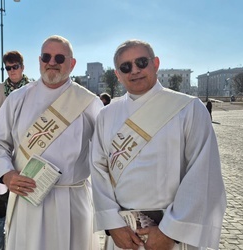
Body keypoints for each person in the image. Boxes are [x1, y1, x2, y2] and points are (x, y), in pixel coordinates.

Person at [90, 39, 226, 250]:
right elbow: (98, 170)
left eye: (141, 62)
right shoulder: (106, 116)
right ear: (118, 74)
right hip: (124, 234)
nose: (134, 70)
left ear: (156, 63)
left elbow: (203, 172)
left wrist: (171, 231)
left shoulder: (188, 109)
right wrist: (112, 225)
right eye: (125, 67)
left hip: (170, 235)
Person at [0, 35, 103, 250]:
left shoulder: (88, 102)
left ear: (72, 63)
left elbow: (105, 154)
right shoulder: (17, 98)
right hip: (27, 198)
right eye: (46, 56)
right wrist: (6, 173)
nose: (52, 62)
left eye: (60, 57)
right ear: (39, 61)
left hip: (72, 202)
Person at [0, 50, 30, 120]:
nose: (12, 70)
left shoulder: (32, 88)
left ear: (22, 67)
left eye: (15, 67)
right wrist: (1, 123)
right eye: (8, 68)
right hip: (4, 130)